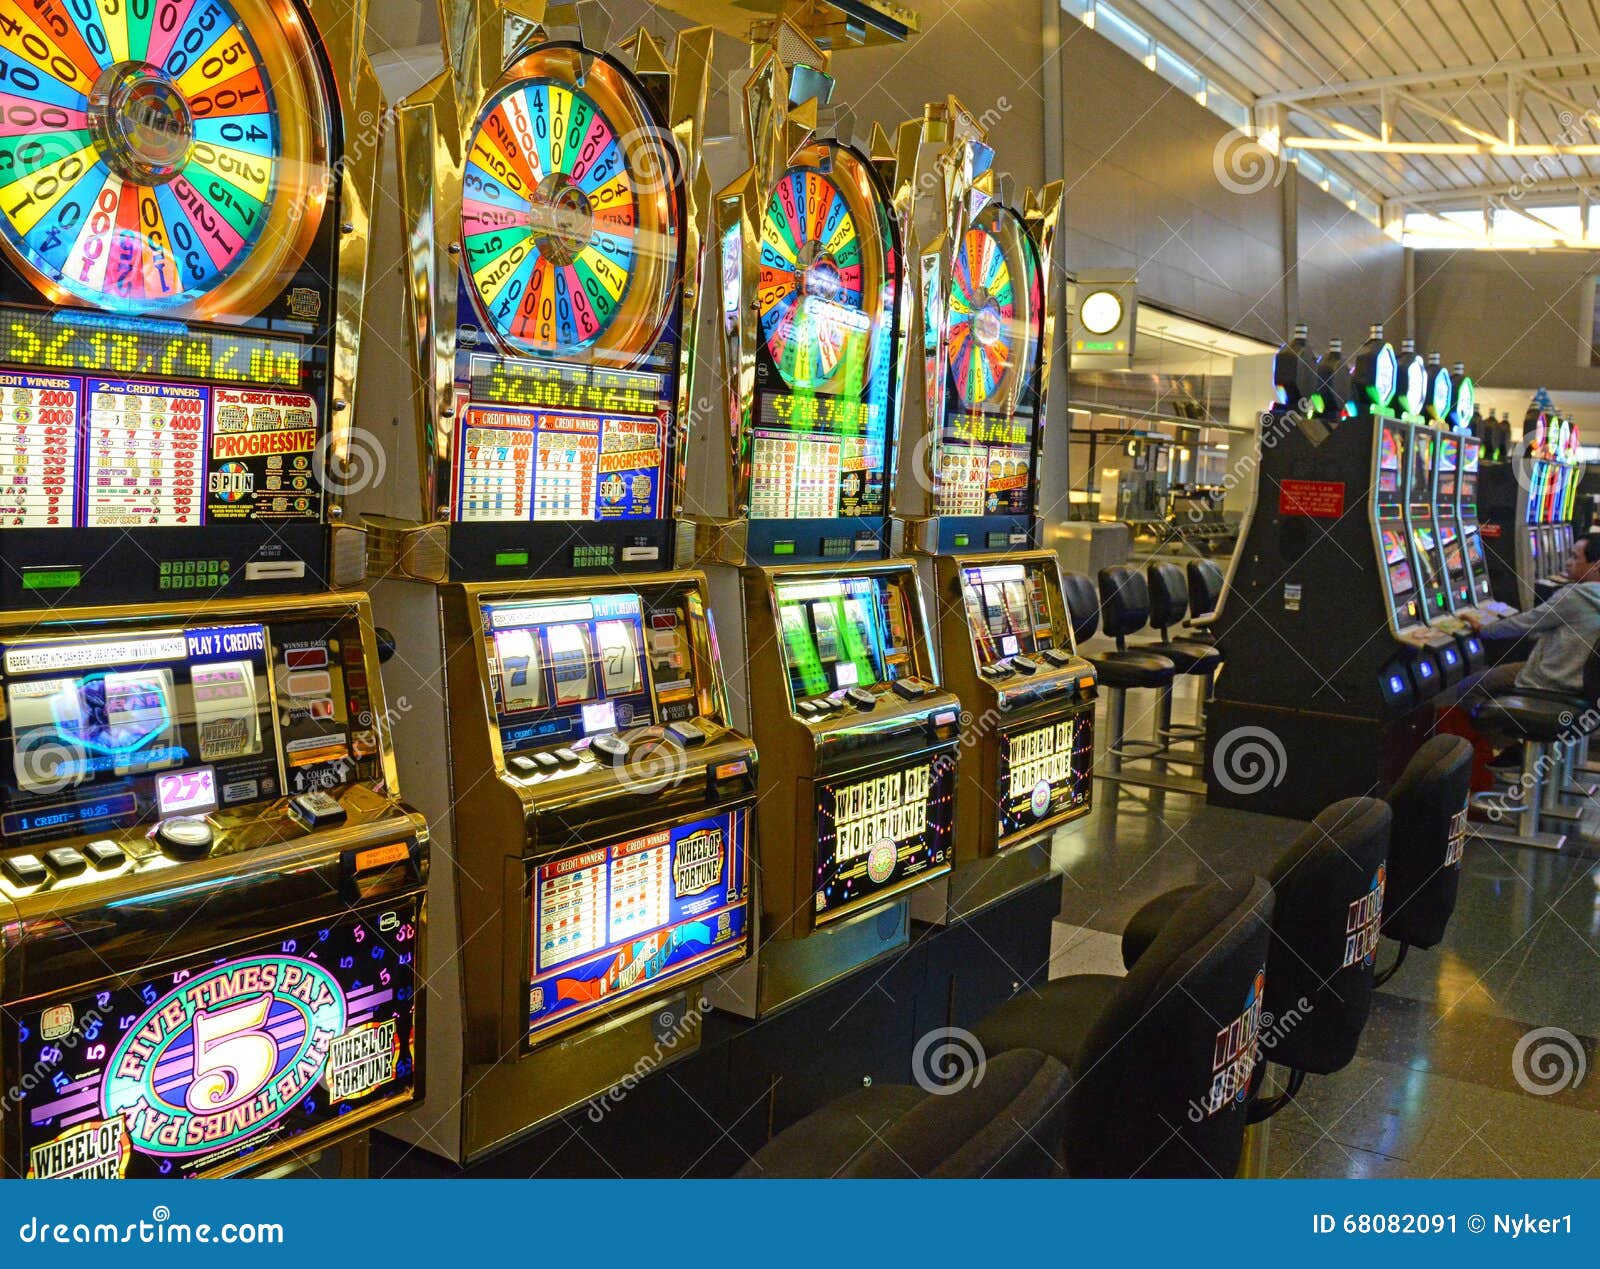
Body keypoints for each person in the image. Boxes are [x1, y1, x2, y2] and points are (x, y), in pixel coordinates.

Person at [1461, 534, 1600, 698]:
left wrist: (1484, 629)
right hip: (1578, 681)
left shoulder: (1576, 596)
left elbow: (1526, 623)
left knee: (1467, 687)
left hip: (1551, 681)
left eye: (1575, 557)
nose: (1568, 562)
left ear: (1596, 565)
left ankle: (1484, 721)